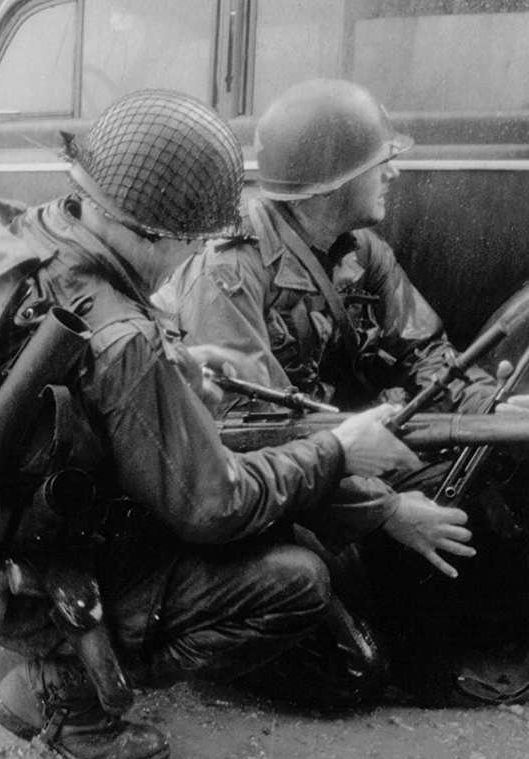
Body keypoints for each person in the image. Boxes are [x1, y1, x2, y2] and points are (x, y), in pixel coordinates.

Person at [0, 89, 425, 759]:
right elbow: (214, 506)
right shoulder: (120, 336)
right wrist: (337, 449)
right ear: (157, 234)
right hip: (29, 580)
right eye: (192, 240)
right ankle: (64, 693)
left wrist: (176, 365)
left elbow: (62, 389)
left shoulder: (30, 234)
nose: (195, 254)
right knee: (296, 580)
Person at [155, 78, 529, 705]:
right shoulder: (229, 270)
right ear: (331, 184)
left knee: (490, 487)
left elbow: (428, 357)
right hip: (246, 489)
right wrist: (387, 510)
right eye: (379, 162)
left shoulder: (360, 252)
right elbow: (254, 436)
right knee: (353, 675)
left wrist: (494, 414)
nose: (394, 174)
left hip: (321, 463)